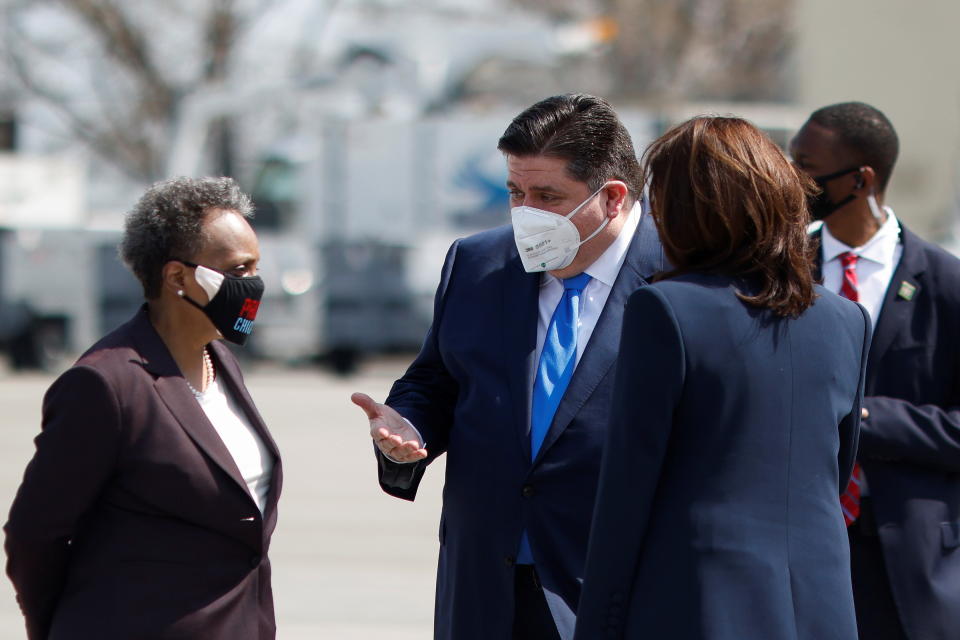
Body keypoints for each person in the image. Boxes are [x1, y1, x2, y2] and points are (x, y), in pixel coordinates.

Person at [350, 93, 665, 640]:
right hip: (487, 585)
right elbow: (436, 378)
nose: (527, 214)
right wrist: (409, 422)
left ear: (613, 198)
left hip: (616, 584)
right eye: (516, 193)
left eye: (548, 196)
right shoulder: (478, 263)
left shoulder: (679, 277)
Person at [574, 116, 870, 640]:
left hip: (699, 601)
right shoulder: (846, 319)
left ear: (687, 212)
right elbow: (835, 471)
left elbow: (626, 491)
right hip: (822, 603)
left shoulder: (664, 309)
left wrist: (598, 624)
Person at [4, 177, 282, 639]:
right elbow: (33, 536)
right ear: (177, 277)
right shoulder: (105, 384)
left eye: (257, 267)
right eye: (239, 269)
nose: (254, 284)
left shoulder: (223, 362)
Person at [791, 102, 960, 640]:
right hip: (802, 546)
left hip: (909, 560)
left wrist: (864, 417)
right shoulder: (782, 270)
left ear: (860, 179)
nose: (791, 180)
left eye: (805, 166)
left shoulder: (945, 285)